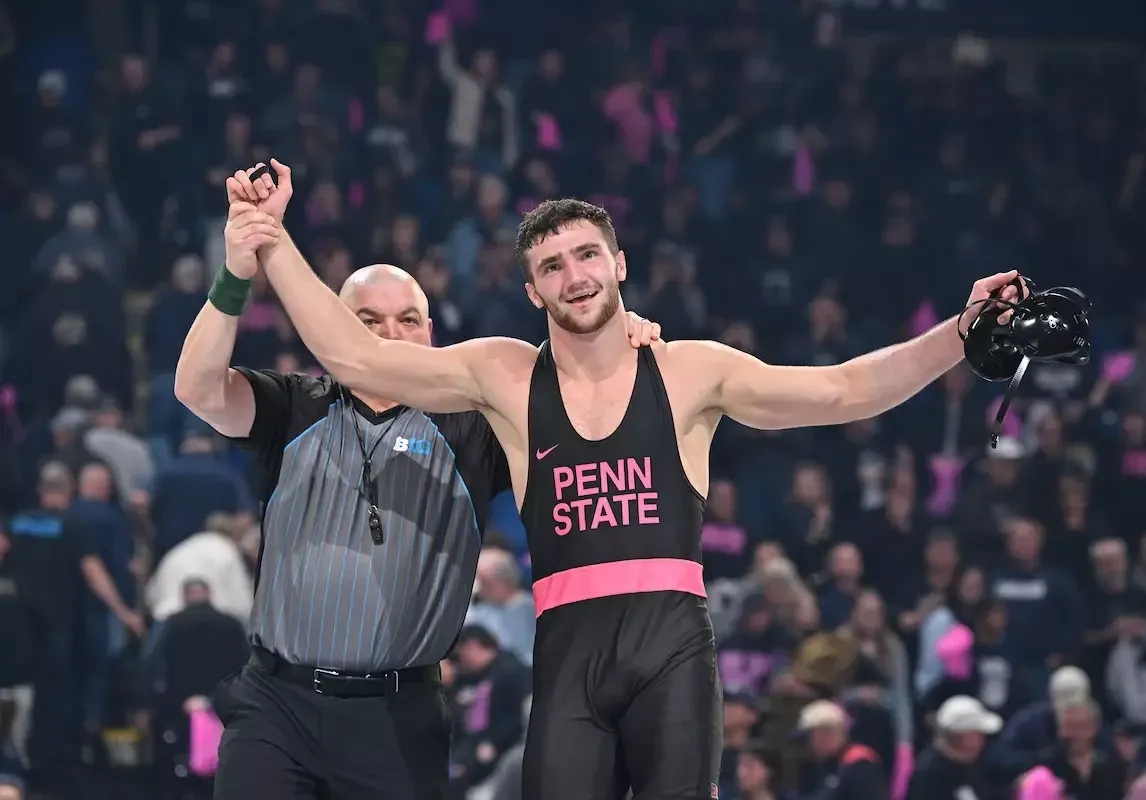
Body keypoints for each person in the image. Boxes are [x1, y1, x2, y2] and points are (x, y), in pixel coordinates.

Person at [227, 159, 1025, 800]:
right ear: (531, 289)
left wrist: (958, 336)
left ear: (619, 263)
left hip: (672, 648)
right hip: (569, 656)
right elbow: (357, 357)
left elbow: (844, 391)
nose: (573, 276)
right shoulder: (502, 376)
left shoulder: (690, 372)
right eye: (551, 265)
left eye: (585, 255)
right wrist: (271, 238)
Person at [175, 176, 663, 800]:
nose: (391, 334)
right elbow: (197, 388)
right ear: (335, 332)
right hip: (276, 705)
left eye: (409, 319)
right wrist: (235, 274)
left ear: (431, 331)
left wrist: (623, 331)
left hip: (398, 717)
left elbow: (578, 386)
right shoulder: (293, 406)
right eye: (367, 320)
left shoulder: (475, 427)